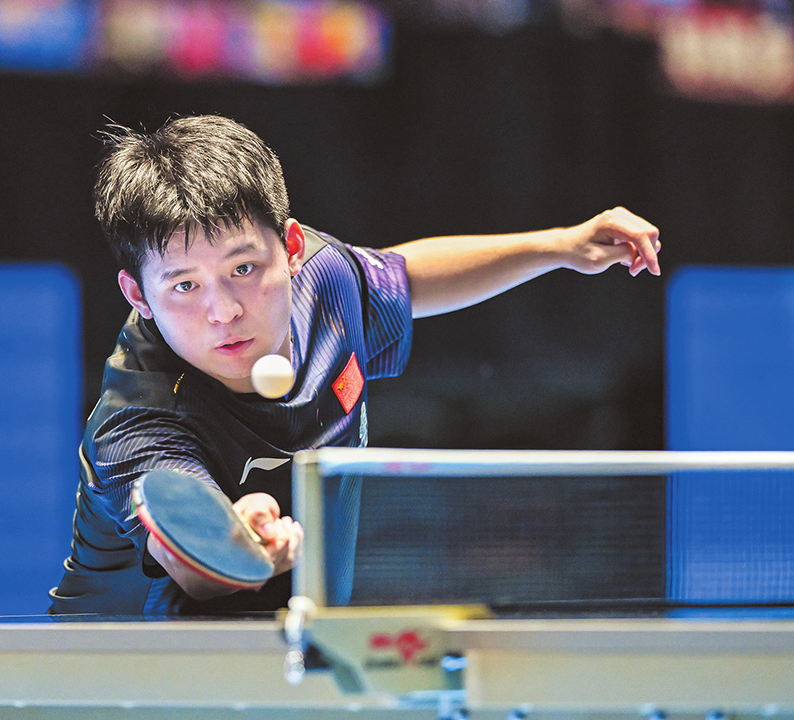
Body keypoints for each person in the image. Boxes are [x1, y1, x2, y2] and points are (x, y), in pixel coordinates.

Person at [48, 114, 660, 616]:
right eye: (184, 285)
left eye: (243, 268)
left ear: (291, 248)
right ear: (138, 295)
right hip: (126, 674)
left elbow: (405, 278)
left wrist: (558, 246)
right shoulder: (137, 418)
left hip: (291, 647)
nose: (224, 310)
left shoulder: (325, 281)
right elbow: (195, 569)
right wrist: (237, 538)